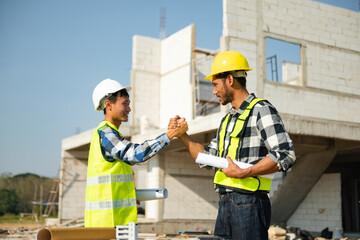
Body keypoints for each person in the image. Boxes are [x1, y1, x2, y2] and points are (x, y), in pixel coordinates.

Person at [170, 51, 296, 239]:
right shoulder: (227, 120)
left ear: (230, 79)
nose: (213, 91)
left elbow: (285, 154)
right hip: (225, 204)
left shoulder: (261, 110)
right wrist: (183, 136)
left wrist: (245, 172)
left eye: (215, 85)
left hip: (250, 203)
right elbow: (206, 158)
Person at [85, 78, 188, 227]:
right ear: (108, 105)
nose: (129, 109)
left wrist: (129, 194)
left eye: (129, 104)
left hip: (116, 224)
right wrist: (170, 135)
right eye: (125, 104)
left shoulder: (110, 134)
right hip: (105, 225)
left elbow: (113, 183)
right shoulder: (106, 134)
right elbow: (135, 154)